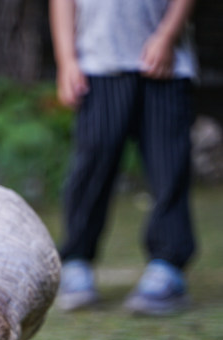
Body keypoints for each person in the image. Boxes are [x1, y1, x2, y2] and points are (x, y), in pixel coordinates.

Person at [49, 0, 197, 314]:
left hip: (164, 64)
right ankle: (76, 260)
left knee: (169, 166)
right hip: (98, 63)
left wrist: (166, 36)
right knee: (91, 166)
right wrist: (66, 60)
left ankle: (167, 264)